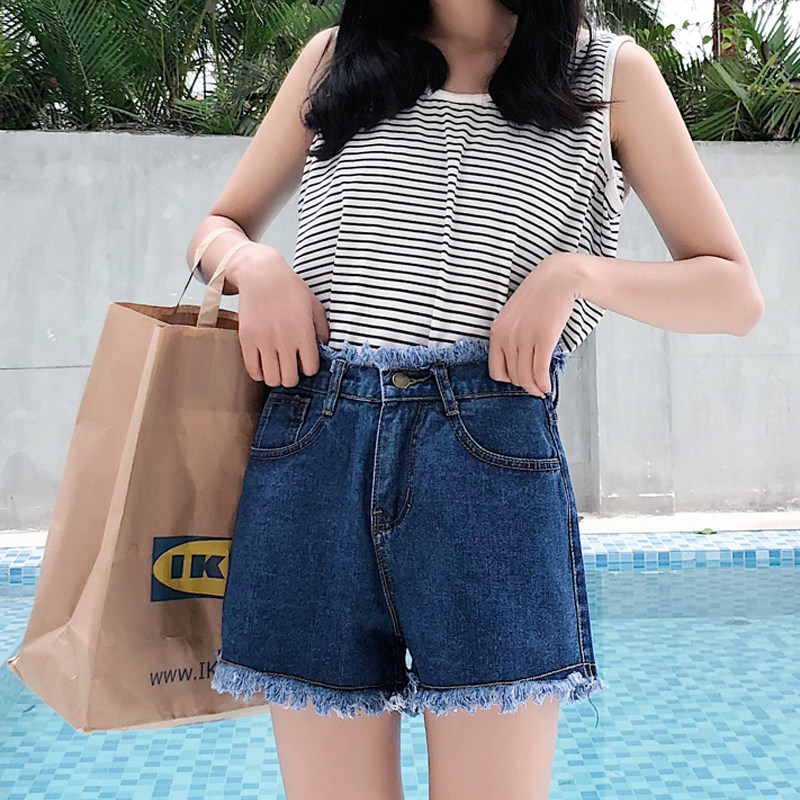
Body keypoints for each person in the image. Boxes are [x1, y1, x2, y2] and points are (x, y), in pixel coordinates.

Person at [185, 1, 763, 798]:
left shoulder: (608, 74)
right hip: (314, 449)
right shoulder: (336, 57)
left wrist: (576, 274)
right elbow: (219, 226)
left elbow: (734, 294)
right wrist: (256, 266)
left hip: (487, 460)